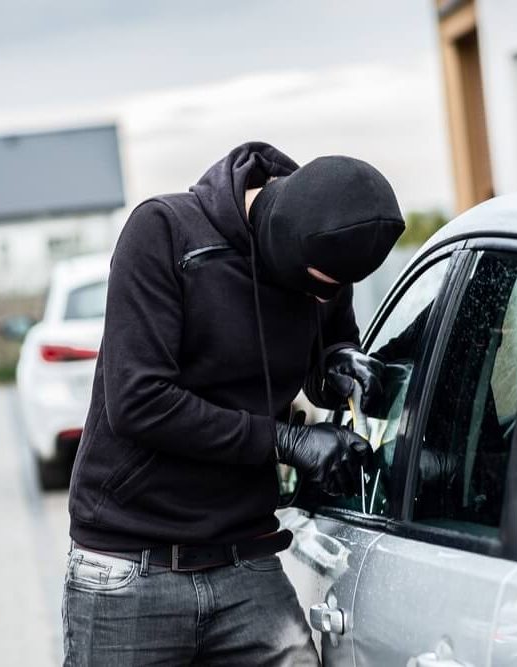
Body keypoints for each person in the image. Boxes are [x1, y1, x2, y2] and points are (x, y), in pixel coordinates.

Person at [62, 141, 405, 666]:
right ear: (279, 242)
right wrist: (286, 441)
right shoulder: (165, 232)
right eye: (319, 287)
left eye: (337, 291)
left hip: (246, 560)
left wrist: (338, 363)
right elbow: (139, 402)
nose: (325, 299)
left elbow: (322, 353)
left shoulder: (327, 256)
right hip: (130, 568)